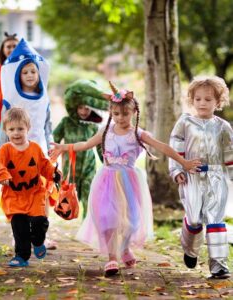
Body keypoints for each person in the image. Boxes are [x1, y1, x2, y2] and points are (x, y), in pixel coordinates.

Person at [50, 81, 201, 276]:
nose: (120, 118)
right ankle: (112, 258)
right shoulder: (106, 131)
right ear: (111, 113)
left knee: (131, 220)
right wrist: (64, 147)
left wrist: (183, 162)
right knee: (106, 218)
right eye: (116, 114)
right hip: (106, 180)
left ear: (134, 113)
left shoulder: (138, 134)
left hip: (130, 182)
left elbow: (162, 147)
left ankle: (125, 247)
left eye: (125, 114)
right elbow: (86, 144)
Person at [169, 76, 233, 279]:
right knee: (195, 219)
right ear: (192, 100)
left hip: (216, 176)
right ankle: (190, 249)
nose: (202, 103)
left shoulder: (223, 126)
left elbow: (230, 153)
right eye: (198, 99)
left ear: (218, 102)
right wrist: (177, 170)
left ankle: (219, 265)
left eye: (208, 99)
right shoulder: (185, 122)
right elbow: (175, 145)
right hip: (191, 176)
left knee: (215, 219)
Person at [0, 38, 57, 250]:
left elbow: (47, 123)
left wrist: (51, 144)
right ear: (17, 75)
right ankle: (18, 235)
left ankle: (42, 235)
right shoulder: (12, 98)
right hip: (15, 155)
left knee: (42, 192)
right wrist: (1, 160)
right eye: (25, 72)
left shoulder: (43, 97)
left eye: (33, 71)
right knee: (17, 195)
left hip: (39, 151)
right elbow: (5, 129)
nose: (30, 75)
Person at [0, 107, 61, 267]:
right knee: (19, 227)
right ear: (6, 131)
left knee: (40, 222)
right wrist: (3, 175)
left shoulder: (35, 148)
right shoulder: (5, 150)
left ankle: (38, 241)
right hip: (14, 195)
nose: (16, 133)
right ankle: (21, 256)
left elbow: (44, 165)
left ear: (27, 129)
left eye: (20, 129)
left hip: (34, 193)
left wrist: (53, 173)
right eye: (11, 129)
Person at [53, 79, 108, 219]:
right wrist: (51, 156)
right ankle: (68, 212)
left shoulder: (93, 127)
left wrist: (106, 161)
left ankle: (87, 223)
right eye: (81, 108)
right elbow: (55, 139)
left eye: (87, 108)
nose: (84, 111)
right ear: (75, 108)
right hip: (71, 168)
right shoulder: (66, 123)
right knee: (69, 194)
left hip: (89, 166)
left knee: (89, 195)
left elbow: (99, 147)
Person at [0, 32, 18, 150]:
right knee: (2, 156)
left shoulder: (26, 69)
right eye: (8, 47)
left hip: (18, 119)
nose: (11, 49)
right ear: (3, 50)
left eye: (14, 46)